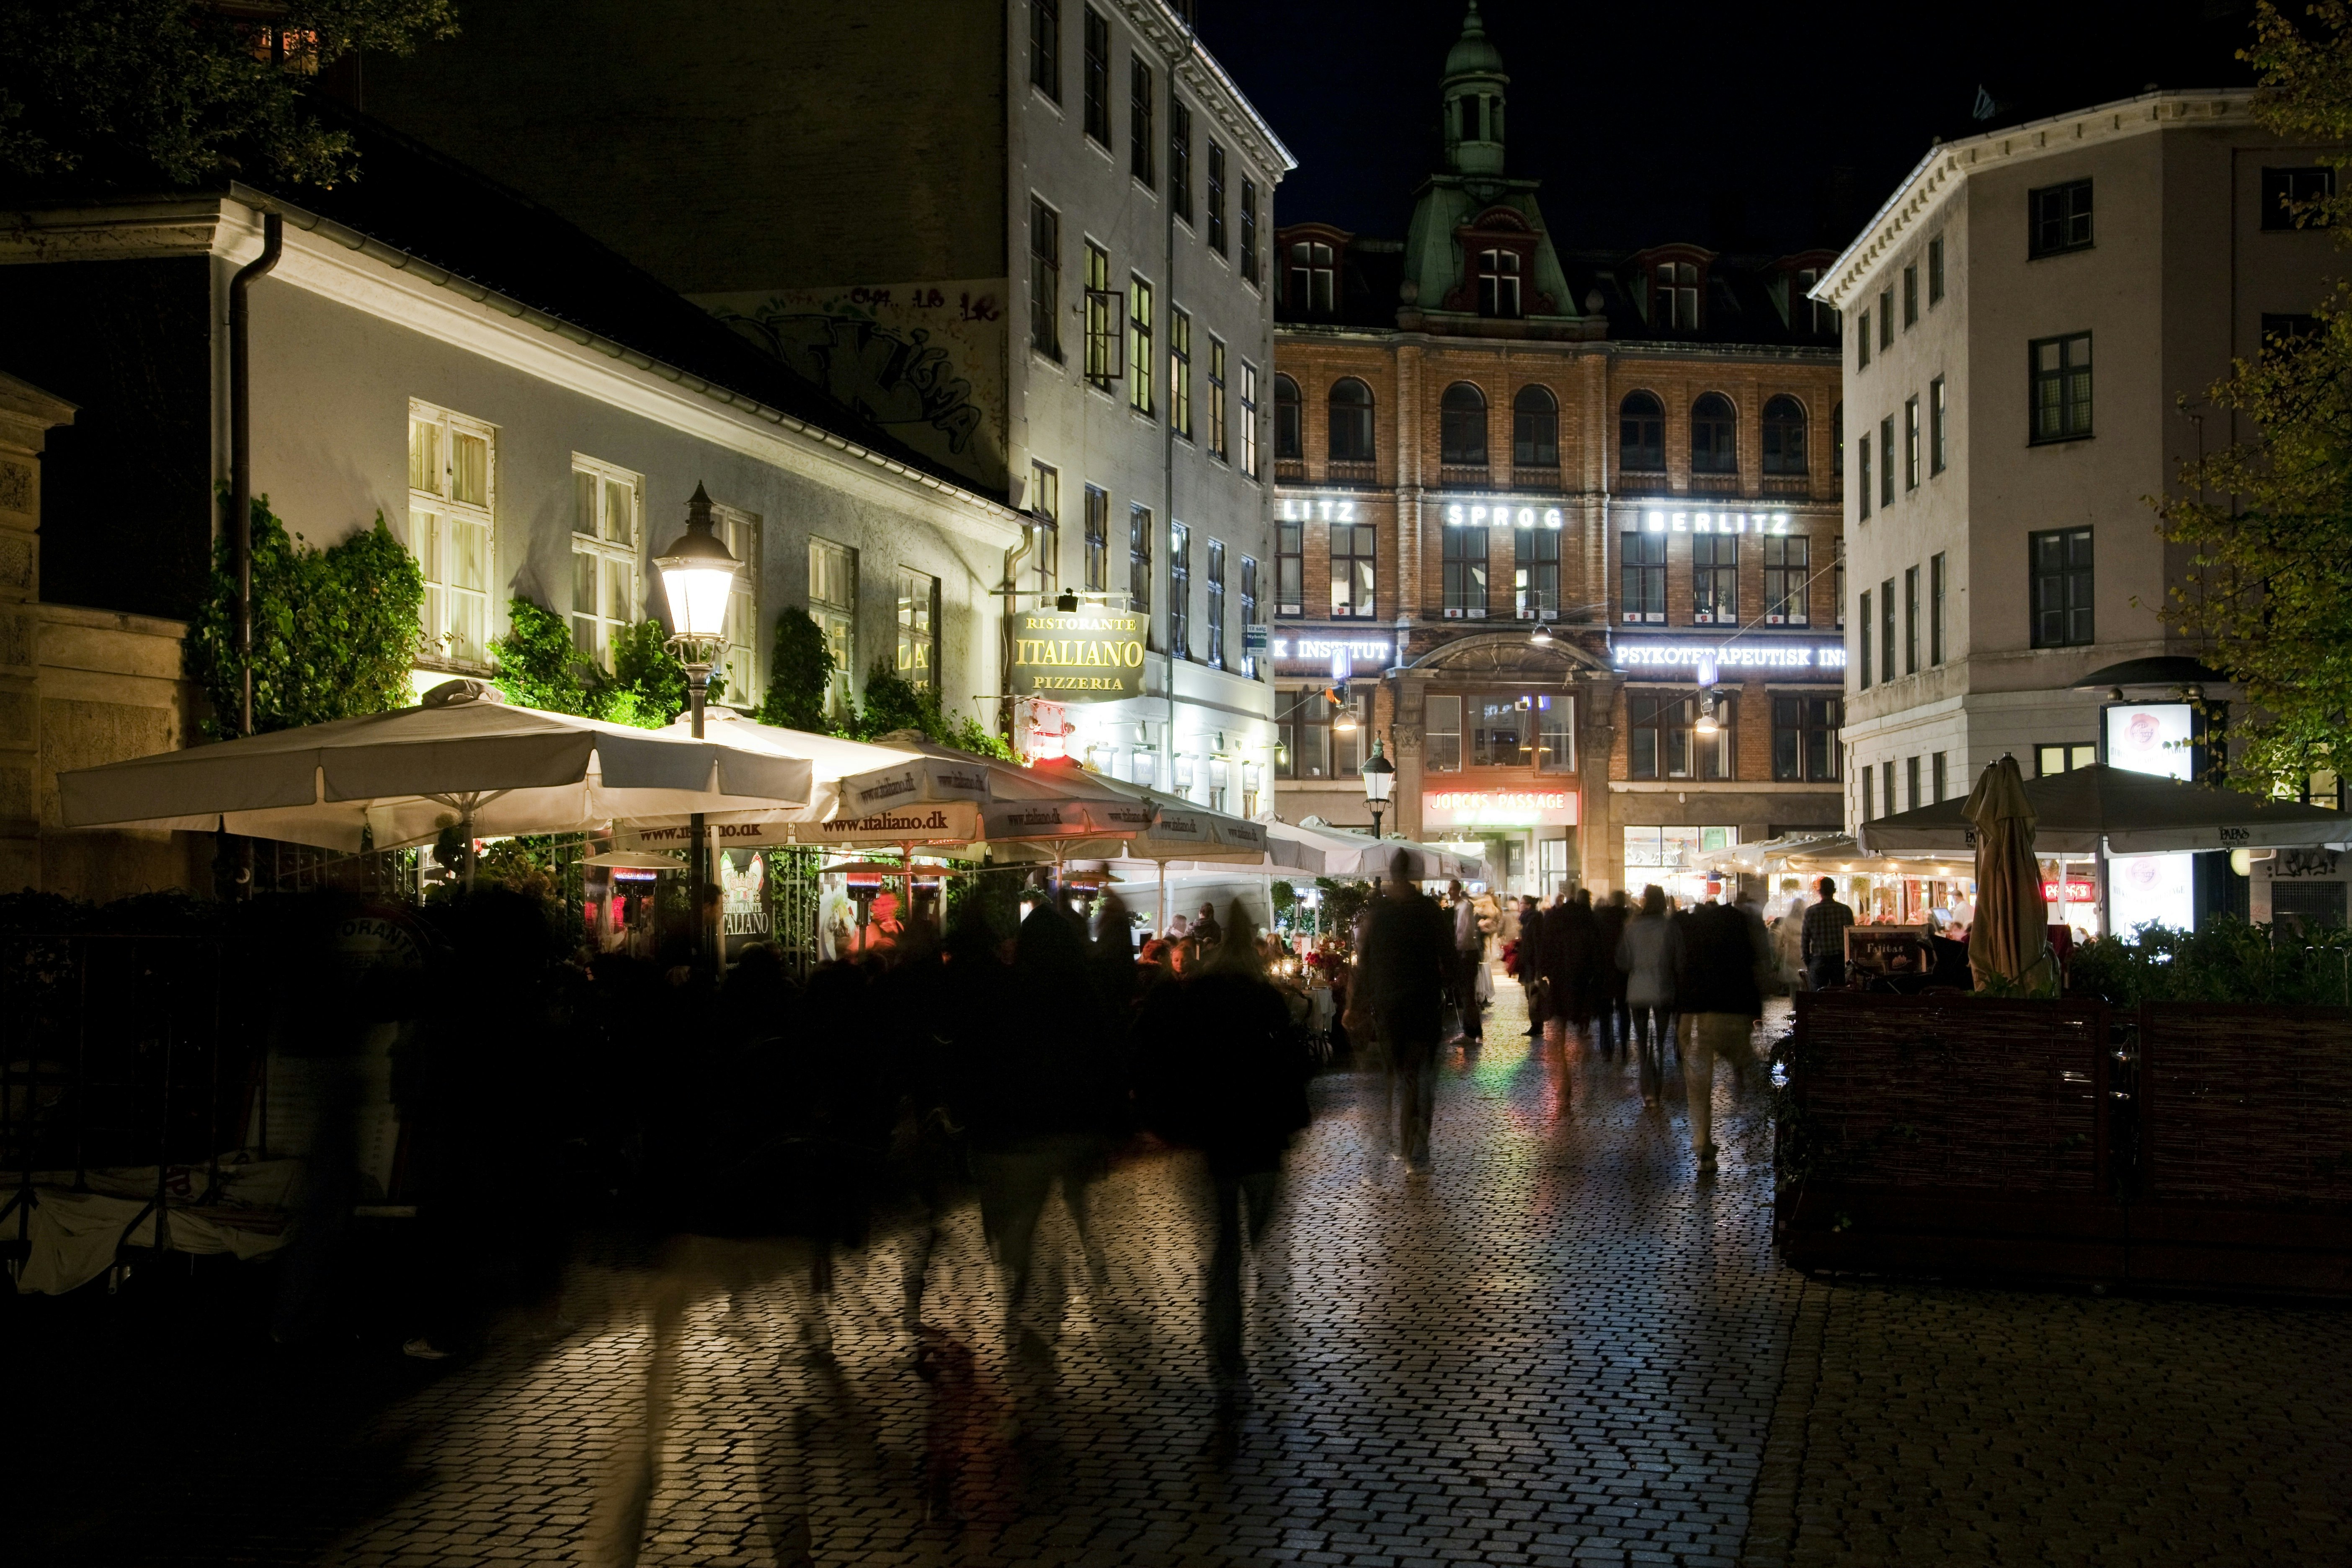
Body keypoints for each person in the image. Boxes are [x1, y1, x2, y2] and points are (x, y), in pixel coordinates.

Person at [1135, 901, 1312, 1375]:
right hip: (1258, 1131)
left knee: (1226, 1245)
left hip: (1218, 1131)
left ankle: (1224, 1343)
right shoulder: (1263, 996)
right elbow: (1291, 1061)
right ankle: (1231, 1332)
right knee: (1249, 1227)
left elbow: (1171, 1051)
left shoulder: (1203, 994)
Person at [1347, 851, 1454, 1170]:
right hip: (1422, 1005)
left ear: (1392, 874)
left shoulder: (1380, 913)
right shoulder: (1428, 911)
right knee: (1416, 1076)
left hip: (1390, 1008)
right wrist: (1468, 1001)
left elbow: (1364, 963)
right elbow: (1449, 957)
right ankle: (1414, 1147)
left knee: (1395, 1076)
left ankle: (1393, 1144)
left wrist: (1356, 1005)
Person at [1678, 895, 1765, 1174]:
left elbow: (1687, 978)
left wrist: (1685, 1021)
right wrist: (1756, 1012)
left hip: (1704, 1018)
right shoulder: (1742, 937)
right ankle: (1760, 1122)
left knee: (1699, 1087)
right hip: (1735, 1016)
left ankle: (1704, 1148)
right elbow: (1756, 974)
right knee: (1747, 1065)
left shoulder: (1699, 940)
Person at [1616, 885, 1682, 1105]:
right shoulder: (1669, 927)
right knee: (1661, 1041)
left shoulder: (1632, 927)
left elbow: (1623, 961)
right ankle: (1658, 1083)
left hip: (1638, 988)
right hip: (1663, 987)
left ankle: (1648, 1091)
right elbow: (1680, 960)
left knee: (1643, 1041)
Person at [1590, 889, 1631, 1060]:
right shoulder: (1629, 917)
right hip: (1623, 971)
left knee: (1605, 1012)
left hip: (1604, 970)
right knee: (1623, 1010)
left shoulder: (1601, 917)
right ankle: (1624, 1046)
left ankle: (1606, 1047)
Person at [1447, 878, 1485, 1045]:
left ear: (1457, 890)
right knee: (1468, 995)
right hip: (1467, 954)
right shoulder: (1460, 907)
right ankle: (1475, 1030)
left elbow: (1464, 933)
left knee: (1467, 994)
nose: (1449, 892)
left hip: (1466, 955)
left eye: (1451, 889)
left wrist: (1459, 952)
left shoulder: (1465, 907)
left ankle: (1470, 1032)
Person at [1803, 876, 1857, 990]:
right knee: (1838, 994)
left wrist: (1808, 961)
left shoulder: (1811, 912)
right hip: (1840, 961)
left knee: (1818, 996)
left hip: (1819, 960)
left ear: (1820, 892)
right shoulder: (1845, 910)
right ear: (1834, 891)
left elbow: (1805, 939)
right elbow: (1853, 937)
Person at [1511, 895, 1546, 1037]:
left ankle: (1537, 1025)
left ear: (1529, 906)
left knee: (1534, 995)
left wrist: (1539, 967)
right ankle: (1536, 1024)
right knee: (1530, 994)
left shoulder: (1534, 920)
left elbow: (1538, 944)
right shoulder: (1527, 920)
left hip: (1532, 963)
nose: (1519, 905)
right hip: (1527, 962)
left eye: (1522, 903)